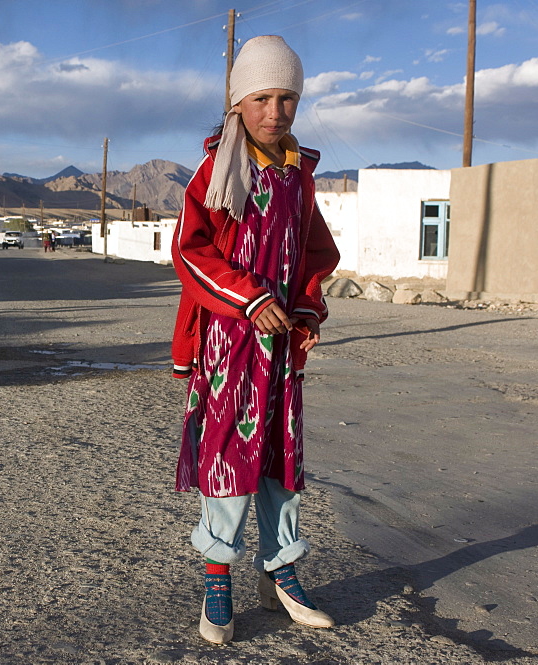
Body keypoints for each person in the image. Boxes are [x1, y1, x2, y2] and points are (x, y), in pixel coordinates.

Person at [170, 35, 340, 645]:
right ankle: (219, 577)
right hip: (230, 343)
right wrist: (251, 298)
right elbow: (191, 251)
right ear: (239, 101)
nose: (276, 112)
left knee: (281, 459)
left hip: (282, 347)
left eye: (287, 98)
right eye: (262, 97)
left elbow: (317, 252)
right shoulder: (217, 170)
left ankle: (282, 573)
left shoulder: (299, 174)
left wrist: (305, 311)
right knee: (230, 459)